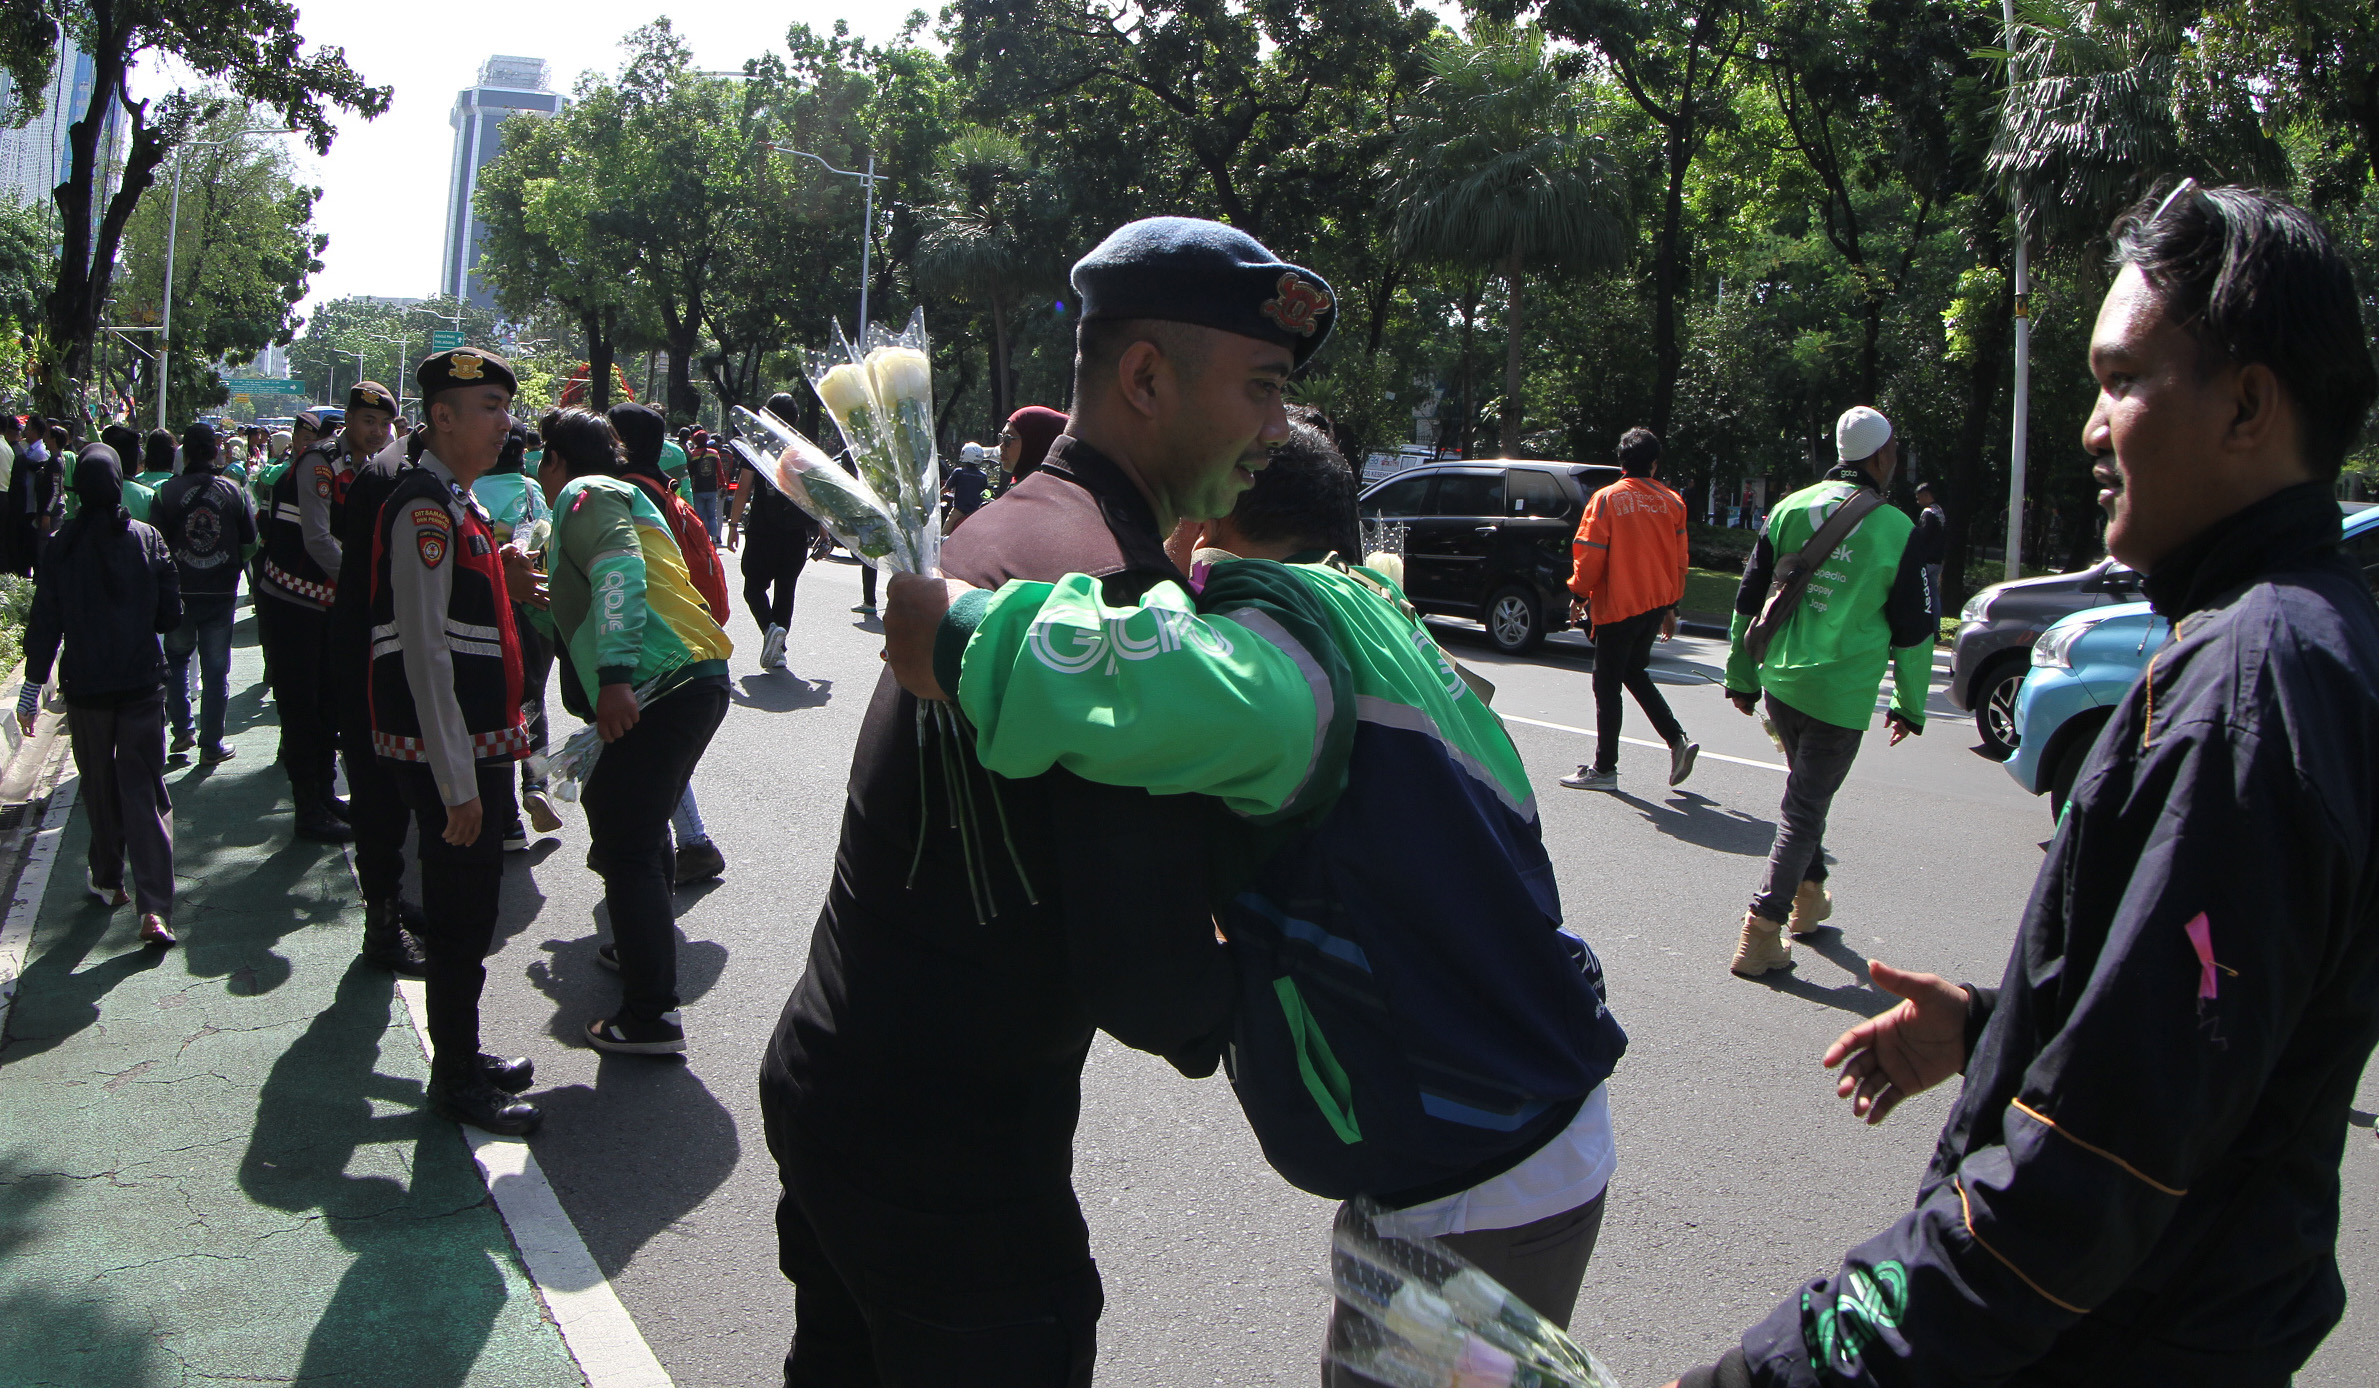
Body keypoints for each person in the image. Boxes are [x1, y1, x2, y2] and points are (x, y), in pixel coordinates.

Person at [1666, 180, 2379, 1388]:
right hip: (2212, 1312)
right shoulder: (2320, 637)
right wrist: (2007, 1028)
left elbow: (2077, 1188)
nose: (2092, 428)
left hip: (2122, 1338)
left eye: (2121, 380)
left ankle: (1764, 920)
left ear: (2249, 403)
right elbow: (2215, 1037)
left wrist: (1766, 1373)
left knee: (1795, 823)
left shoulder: (2244, 684)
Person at [885, 425, 1630, 1374]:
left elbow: (1169, 681)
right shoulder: (1375, 611)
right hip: (1498, 1121)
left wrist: (960, 634)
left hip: (1477, 1164)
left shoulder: (1282, 634)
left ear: (1213, 518)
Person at [757, 216, 1332, 1386]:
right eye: (1265, 387)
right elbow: (1146, 974)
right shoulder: (1105, 594)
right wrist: (1322, 1001)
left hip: (836, 1082)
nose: (1281, 427)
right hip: (953, 1169)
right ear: (1145, 375)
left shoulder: (1011, 521)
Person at [516, 407, 732, 1054]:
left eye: (539, 455)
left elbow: (620, 572)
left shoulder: (588, 494)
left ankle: (650, 1016)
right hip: (679, 680)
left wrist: (612, 676)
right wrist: (527, 593)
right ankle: (641, 950)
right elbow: (577, 605)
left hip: (658, 683)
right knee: (629, 822)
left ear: (555, 460)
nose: (534, 466)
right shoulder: (595, 505)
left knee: (628, 838)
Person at [369, 349, 541, 1135]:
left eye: (506, 406)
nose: (506, 421)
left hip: (472, 747)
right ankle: (457, 1079)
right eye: (490, 406)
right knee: (461, 911)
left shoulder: (459, 504)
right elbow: (423, 649)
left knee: (470, 910)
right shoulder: (425, 509)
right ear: (442, 417)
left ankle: (464, 1057)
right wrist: (455, 783)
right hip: (452, 755)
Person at [1720, 405, 1931, 977]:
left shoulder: (1790, 507)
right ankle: (1762, 929)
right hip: (1839, 694)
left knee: (1805, 795)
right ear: (1882, 456)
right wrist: (1910, 705)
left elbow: (1748, 598)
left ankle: (1809, 899)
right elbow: (1915, 632)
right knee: (1804, 808)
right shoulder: (1897, 529)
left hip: (1782, 684)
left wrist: (1740, 676)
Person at [17, 444, 182, 947]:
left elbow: (45, 620)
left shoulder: (60, 547)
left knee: (98, 787)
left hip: (86, 688)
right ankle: (155, 908)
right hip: (140, 685)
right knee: (144, 790)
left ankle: (109, 878)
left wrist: (30, 689)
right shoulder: (148, 539)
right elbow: (169, 617)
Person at [257, 382, 398, 842]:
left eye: (383, 424)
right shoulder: (320, 462)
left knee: (329, 705)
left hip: (333, 605)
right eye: (367, 422)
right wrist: (369, 587)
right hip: (296, 603)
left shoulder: (371, 467)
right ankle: (307, 808)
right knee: (302, 707)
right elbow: (318, 540)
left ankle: (324, 796)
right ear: (349, 420)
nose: (377, 432)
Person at [604, 401, 732, 884]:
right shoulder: (661, 487)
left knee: (652, 760)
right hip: (692, 637)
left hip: (661, 646)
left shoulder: (629, 494)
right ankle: (687, 844)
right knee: (662, 760)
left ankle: (682, 849)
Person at [330, 421, 430, 977]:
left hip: (378, 654)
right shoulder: (398, 480)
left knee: (394, 799)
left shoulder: (406, 471)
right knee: (382, 801)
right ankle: (383, 926)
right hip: (376, 661)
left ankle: (392, 907)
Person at [1559, 427, 1698, 793]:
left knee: (1606, 685)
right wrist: (1671, 605)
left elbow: (1589, 553)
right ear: (1654, 463)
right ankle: (1676, 739)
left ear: (1621, 461)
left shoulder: (1607, 499)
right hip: (1653, 605)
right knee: (1633, 672)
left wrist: (1578, 594)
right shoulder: (1673, 502)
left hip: (1618, 605)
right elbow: (1679, 561)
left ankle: (1605, 769)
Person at [472, 419, 564, 848]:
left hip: (483, 608)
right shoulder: (532, 491)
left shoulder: (467, 490)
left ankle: (506, 820)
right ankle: (536, 786)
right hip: (534, 607)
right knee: (532, 698)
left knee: (490, 705)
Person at [152, 422, 256, 763]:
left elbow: (156, 547)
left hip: (178, 593)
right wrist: (231, 570)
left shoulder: (165, 493)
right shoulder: (235, 492)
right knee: (215, 671)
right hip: (219, 594)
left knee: (178, 662)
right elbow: (250, 543)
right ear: (215, 451)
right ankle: (212, 745)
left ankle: (182, 730)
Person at [724, 392, 821, 671]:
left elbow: (743, 488)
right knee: (786, 589)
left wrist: (732, 525)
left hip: (762, 531)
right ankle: (777, 647)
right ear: (796, 419)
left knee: (753, 588)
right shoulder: (803, 449)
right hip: (796, 534)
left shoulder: (756, 446)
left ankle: (770, 630)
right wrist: (824, 532)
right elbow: (817, 495)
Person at [996, 405, 1066, 493]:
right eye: (1001, 438)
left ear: (1034, 441)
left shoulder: (1043, 495)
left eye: (1008, 439)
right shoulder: (1020, 485)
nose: (1001, 446)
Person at [1911, 480, 1948, 617]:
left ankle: (1923, 624)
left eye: (1918, 497)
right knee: (1934, 594)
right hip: (1937, 560)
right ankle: (1935, 626)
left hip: (1927, 560)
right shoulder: (1939, 511)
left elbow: (1923, 535)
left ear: (1926, 495)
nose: (1917, 501)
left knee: (1922, 594)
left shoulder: (1928, 513)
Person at [686, 430, 724, 542]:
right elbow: (719, 471)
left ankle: (702, 539)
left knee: (699, 516)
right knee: (712, 516)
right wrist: (723, 485)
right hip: (712, 488)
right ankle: (713, 539)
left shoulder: (693, 454)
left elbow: (689, 472)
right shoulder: (714, 453)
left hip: (698, 488)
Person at [945, 441, 991, 530]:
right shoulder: (983, 476)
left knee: (944, 533)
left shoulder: (959, 472)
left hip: (959, 511)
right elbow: (985, 493)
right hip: (975, 512)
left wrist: (937, 495)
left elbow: (947, 488)